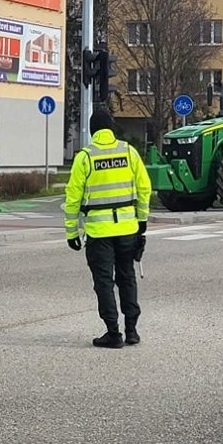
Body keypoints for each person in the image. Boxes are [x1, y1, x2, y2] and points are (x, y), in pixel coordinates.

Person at [64, 110, 152, 349]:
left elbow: (72, 198)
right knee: (127, 277)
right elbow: (144, 187)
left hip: (99, 232)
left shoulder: (86, 158)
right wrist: (142, 219)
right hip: (127, 228)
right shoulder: (128, 152)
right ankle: (132, 330)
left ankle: (113, 333)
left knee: (104, 281)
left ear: (93, 131)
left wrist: (72, 232)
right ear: (112, 128)